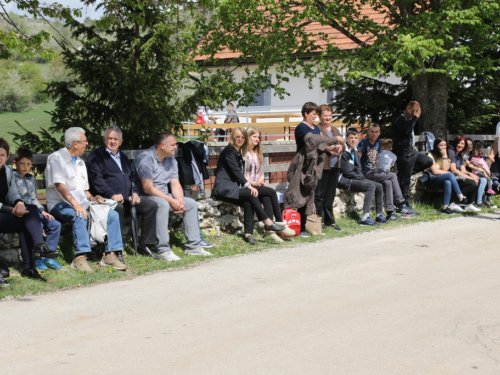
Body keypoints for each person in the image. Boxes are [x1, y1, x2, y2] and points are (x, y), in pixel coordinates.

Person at [46, 127, 127, 273]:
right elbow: (60, 186)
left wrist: (93, 198)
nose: (87, 144)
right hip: (60, 204)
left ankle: (110, 254)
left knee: (112, 214)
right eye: (84, 141)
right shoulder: (56, 158)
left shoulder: (80, 163)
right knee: (80, 215)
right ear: (75, 143)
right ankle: (80, 258)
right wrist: (76, 205)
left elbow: (84, 190)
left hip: (82, 203)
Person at [133, 131, 212, 259]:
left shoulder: (171, 159)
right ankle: (163, 249)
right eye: (173, 145)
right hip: (144, 197)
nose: (176, 147)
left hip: (163, 195)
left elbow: (175, 184)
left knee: (190, 204)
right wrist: (171, 200)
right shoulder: (146, 158)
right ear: (163, 146)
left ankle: (194, 246)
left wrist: (179, 202)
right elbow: (148, 188)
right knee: (163, 204)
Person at [87, 125, 159, 260]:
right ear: (104, 139)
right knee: (117, 208)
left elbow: (132, 178)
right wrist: (111, 194)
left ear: (121, 142)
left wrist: (135, 193)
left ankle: (145, 245)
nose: (112, 142)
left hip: (127, 198)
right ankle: (116, 249)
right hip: (106, 200)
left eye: (116, 139)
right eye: (110, 138)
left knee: (151, 205)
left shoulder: (123, 157)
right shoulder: (96, 156)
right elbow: (96, 180)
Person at [212, 127, 288, 245]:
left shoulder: (237, 152)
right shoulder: (229, 151)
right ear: (232, 137)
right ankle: (267, 222)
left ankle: (248, 234)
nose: (240, 139)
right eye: (237, 137)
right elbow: (236, 171)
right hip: (224, 189)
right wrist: (249, 185)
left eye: (242, 137)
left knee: (249, 201)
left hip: (233, 188)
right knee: (251, 194)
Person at [0, 138, 48, 281]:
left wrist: (19, 202)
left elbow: (13, 192)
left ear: (8, 157)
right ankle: (39, 248)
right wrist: (11, 210)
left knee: (30, 211)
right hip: (3, 213)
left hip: (6, 214)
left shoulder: (7, 171)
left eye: (2, 155)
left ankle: (30, 267)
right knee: (27, 217)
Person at [243, 127, 295, 242]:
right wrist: (254, 183)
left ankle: (269, 232)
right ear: (248, 137)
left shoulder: (256, 153)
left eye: (258, 137)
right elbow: (243, 176)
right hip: (247, 185)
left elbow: (260, 171)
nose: (257, 139)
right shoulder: (245, 153)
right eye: (254, 136)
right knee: (271, 191)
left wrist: (260, 180)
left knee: (267, 197)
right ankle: (280, 222)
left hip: (256, 184)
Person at [293, 102, 338, 236]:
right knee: (302, 196)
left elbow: (321, 144)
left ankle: (312, 224)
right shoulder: (302, 128)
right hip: (304, 165)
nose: (315, 116)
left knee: (311, 196)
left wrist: (332, 147)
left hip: (316, 165)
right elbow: (312, 141)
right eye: (314, 114)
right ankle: (300, 228)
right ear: (306, 113)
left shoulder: (315, 128)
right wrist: (335, 140)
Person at [13, 148, 62, 270]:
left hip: (35, 210)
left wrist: (42, 211)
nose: (25, 167)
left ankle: (48, 256)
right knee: (37, 226)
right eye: (22, 163)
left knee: (55, 224)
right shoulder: (12, 177)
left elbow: (33, 198)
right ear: (15, 163)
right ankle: (37, 258)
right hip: (24, 212)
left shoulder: (30, 178)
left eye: (28, 164)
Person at [358, 123, 413, 221]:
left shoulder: (378, 143)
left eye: (376, 132)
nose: (374, 134)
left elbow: (377, 159)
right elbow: (358, 158)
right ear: (368, 132)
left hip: (374, 172)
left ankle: (390, 212)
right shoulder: (363, 142)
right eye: (372, 132)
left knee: (388, 182)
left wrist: (378, 171)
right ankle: (401, 204)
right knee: (392, 175)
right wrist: (358, 174)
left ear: (379, 133)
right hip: (365, 172)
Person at [391, 101, 433, 213]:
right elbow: (405, 130)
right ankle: (402, 205)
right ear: (408, 108)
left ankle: (404, 173)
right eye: (414, 110)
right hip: (403, 152)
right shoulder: (399, 116)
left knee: (427, 161)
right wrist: (415, 118)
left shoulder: (409, 119)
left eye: (418, 111)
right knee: (405, 180)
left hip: (411, 151)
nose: (416, 113)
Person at [338, 129, 386, 225]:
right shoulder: (344, 151)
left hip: (355, 177)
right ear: (346, 138)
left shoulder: (355, 151)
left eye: (355, 138)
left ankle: (379, 215)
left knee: (379, 186)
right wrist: (360, 178)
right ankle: (365, 217)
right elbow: (348, 172)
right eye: (351, 138)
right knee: (370, 186)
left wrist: (361, 177)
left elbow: (359, 168)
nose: (353, 140)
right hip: (345, 180)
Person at [315, 104, 343, 230]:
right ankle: (319, 219)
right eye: (325, 115)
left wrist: (341, 147)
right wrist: (328, 148)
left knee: (330, 195)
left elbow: (343, 144)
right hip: (323, 166)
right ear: (320, 117)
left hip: (335, 166)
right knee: (320, 195)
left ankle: (330, 220)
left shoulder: (335, 130)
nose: (327, 118)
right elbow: (317, 144)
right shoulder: (317, 129)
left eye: (329, 115)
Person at [422, 137, 466, 214]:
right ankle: (460, 196)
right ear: (436, 146)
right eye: (440, 145)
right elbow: (435, 171)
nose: (443, 147)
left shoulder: (446, 155)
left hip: (440, 179)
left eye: (444, 145)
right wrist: (447, 173)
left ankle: (446, 207)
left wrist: (444, 155)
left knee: (448, 182)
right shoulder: (430, 155)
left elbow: (445, 169)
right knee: (450, 174)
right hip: (431, 179)